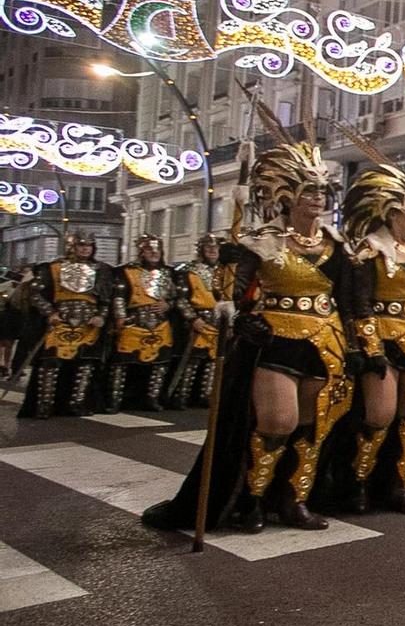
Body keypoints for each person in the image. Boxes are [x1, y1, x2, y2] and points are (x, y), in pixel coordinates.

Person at [146, 134, 347, 534]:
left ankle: (293, 500)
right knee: (278, 422)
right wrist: (236, 309)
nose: (317, 198)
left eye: (322, 190)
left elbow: (348, 298)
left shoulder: (336, 245)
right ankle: (251, 499)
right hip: (276, 341)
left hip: (328, 343)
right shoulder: (261, 242)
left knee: (311, 428)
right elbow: (231, 296)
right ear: (287, 196)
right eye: (309, 190)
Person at [335, 158, 405, 515]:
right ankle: (358, 482)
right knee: (380, 415)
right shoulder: (369, 251)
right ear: (391, 213)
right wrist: (371, 349)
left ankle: (403, 485)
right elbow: (359, 303)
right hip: (384, 340)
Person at [16, 231, 114, 419]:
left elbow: (105, 299)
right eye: (81, 245)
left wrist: (101, 316)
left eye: (89, 245)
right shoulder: (53, 268)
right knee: (50, 364)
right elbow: (36, 294)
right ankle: (44, 405)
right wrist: (49, 313)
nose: (85, 249)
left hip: (88, 325)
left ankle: (76, 404)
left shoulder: (102, 270)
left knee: (85, 365)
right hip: (60, 322)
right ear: (72, 246)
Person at [106, 234, 180, 412]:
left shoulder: (169, 272)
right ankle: (114, 399)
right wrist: (120, 317)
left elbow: (177, 297)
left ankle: (152, 398)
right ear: (141, 252)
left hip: (160, 325)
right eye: (149, 249)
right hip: (133, 323)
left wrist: (168, 305)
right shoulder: (127, 271)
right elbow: (119, 296)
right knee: (122, 364)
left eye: (157, 249)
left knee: (159, 365)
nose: (154, 252)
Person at [171, 233, 225, 408]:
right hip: (197, 321)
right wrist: (192, 318)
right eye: (208, 247)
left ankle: (206, 396)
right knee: (191, 361)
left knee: (213, 362)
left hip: (218, 322)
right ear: (201, 250)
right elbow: (181, 299)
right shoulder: (189, 271)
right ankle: (181, 395)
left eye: (216, 247)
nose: (212, 250)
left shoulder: (226, 272)